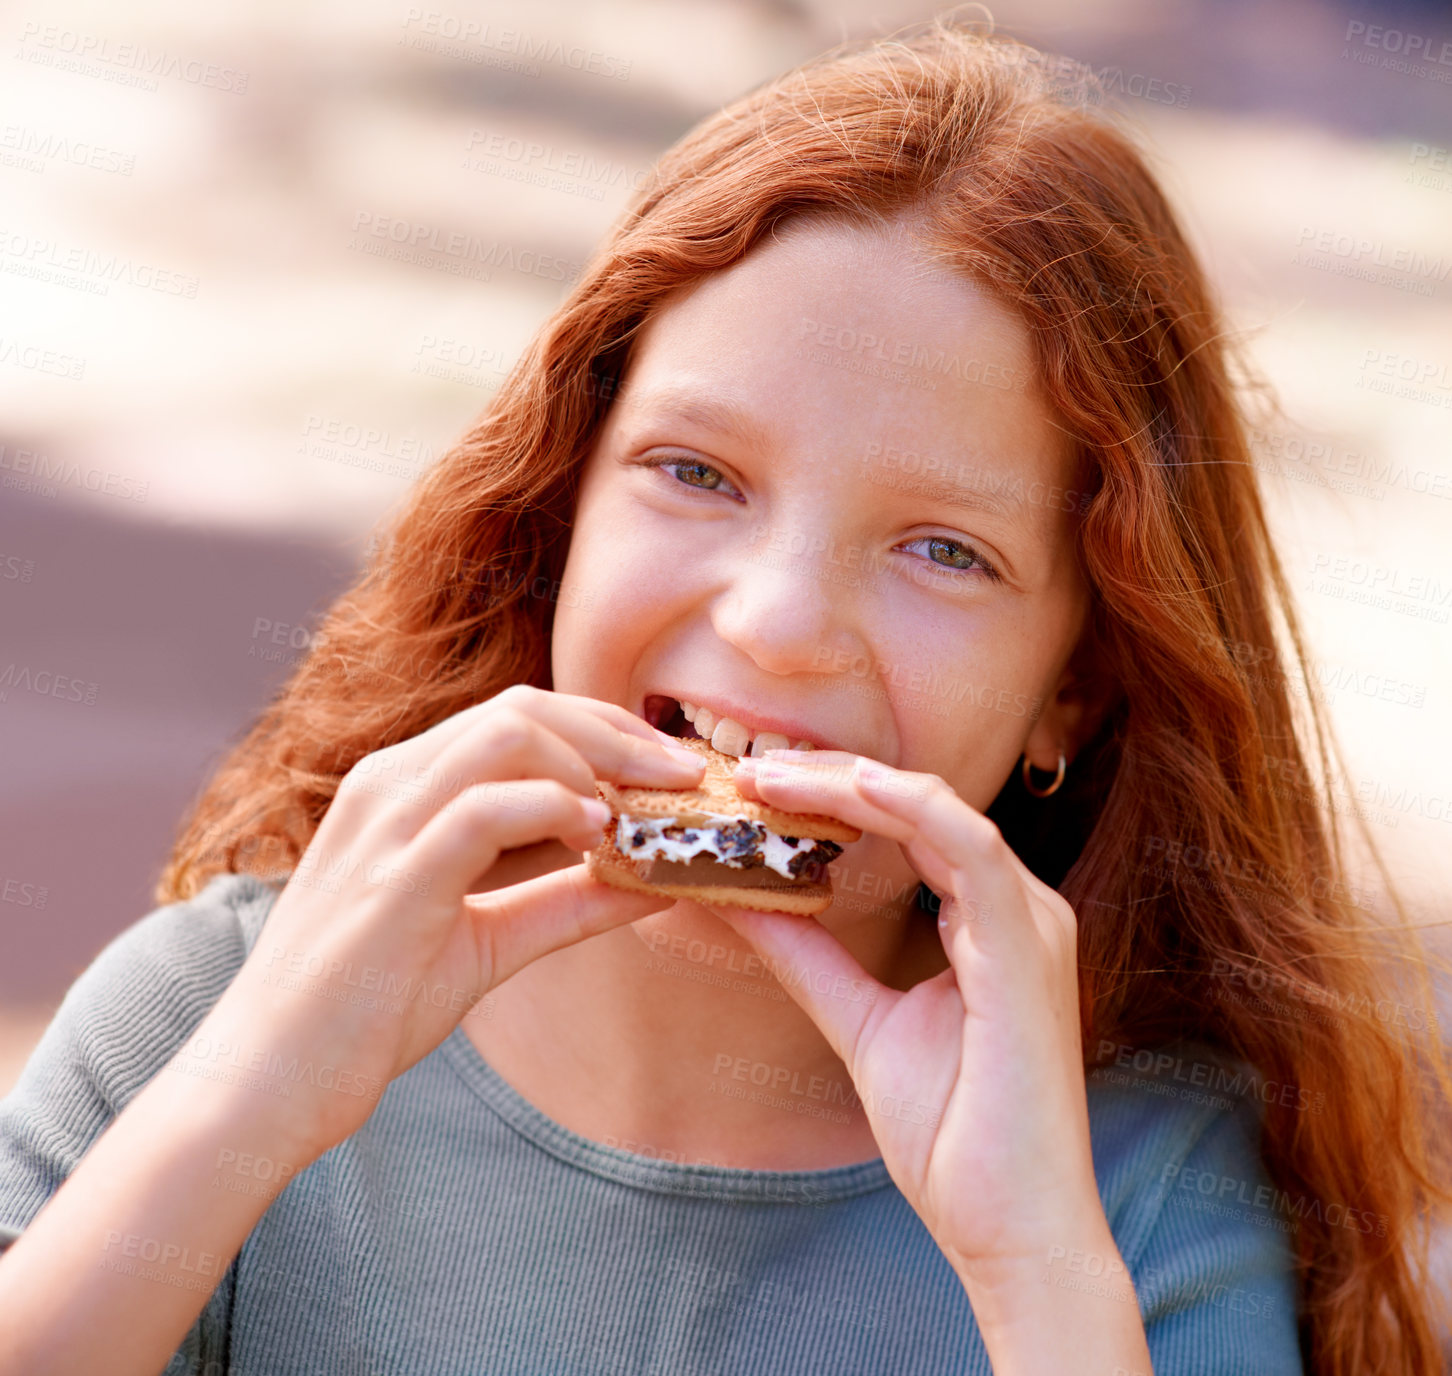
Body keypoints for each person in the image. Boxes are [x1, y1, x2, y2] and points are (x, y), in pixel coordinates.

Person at [1, 13, 1448, 1375]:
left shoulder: (1130, 1196)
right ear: (556, 514)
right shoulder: (211, 1022)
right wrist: (240, 1114)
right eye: (697, 473)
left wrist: (1030, 1268)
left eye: (945, 550)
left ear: (1076, 690)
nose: (779, 624)